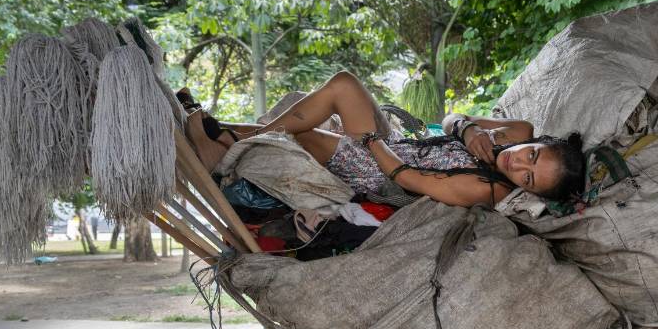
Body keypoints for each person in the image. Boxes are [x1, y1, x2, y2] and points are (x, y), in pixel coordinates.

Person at [183, 71, 585, 208]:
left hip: (384, 172)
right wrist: (469, 128)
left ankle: (227, 140)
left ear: (525, 191)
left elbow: (409, 180)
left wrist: (372, 142)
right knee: (325, 106)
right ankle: (228, 139)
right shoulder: (517, 132)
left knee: (337, 93)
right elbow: (448, 119)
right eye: (531, 156)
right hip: (399, 144)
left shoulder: (489, 190)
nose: (518, 165)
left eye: (528, 178)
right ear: (539, 142)